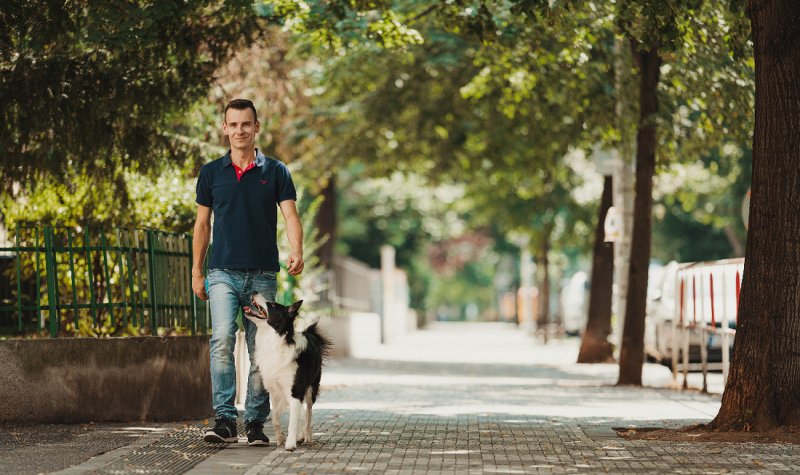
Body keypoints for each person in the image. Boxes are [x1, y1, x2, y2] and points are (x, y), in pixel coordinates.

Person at [192, 98, 304, 446]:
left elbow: (289, 216)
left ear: (256, 127)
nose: (240, 130)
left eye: (246, 124)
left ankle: (254, 423)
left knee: (260, 350)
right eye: (233, 124)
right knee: (222, 338)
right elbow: (202, 224)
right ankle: (225, 419)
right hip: (222, 270)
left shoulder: (276, 171)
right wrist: (197, 271)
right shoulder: (211, 173)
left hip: (262, 274)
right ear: (224, 128)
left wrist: (297, 249)